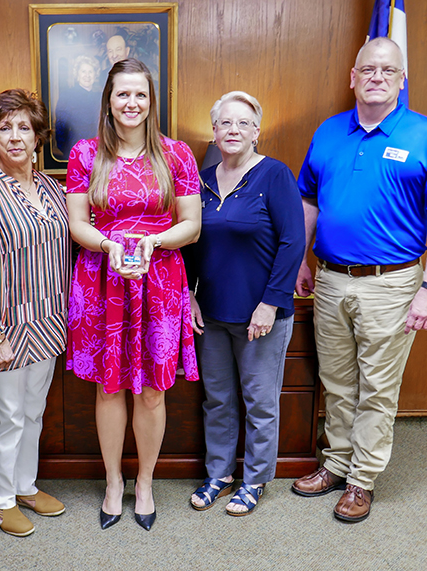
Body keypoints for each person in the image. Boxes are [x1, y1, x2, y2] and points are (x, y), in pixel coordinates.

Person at [293, 37, 427, 523]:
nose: (376, 77)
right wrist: (301, 261)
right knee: (337, 381)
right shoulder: (328, 132)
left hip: (392, 285)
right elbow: (309, 201)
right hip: (330, 279)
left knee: (377, 387)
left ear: (401, 80)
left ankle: (361, 480)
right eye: (368, 69)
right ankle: (336, 462)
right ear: (352, 77)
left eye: (387, 71)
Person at [65, 58, 201, 531]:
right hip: (101, 281)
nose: (131, 103)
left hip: (159, 282)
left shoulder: (177, 154)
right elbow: (77, 222)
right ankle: (112, 482)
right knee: (110, 387)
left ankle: (144, 481)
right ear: (108, 100)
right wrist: (108, 245)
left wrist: (151, 241)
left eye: (140, 94)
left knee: (149, 393)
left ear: (151, 101)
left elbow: (192, 224)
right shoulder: (85, 153)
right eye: (122, 94)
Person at [184, 92, 305, 516]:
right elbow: (189, 244)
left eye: (243, 123)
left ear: (257, 131)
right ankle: (219, 473)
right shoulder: (199, 180)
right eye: (225, 123)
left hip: (261, 316)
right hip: (212, 312)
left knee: (259, 402)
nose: (233, 130)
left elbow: (293, 242)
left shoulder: (274, 175)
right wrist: (189, 295)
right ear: (214, 131)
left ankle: (254, 480)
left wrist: (271, 303)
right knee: (217, 398)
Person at [0, 89, 70, 538]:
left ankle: (25, 486)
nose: (16, 136)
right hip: (3, 328)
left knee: (35, 410)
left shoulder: (51, 188)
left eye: (24, 127)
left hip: (46, 321)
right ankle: (0, 500)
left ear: (38, 136)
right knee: (7, 415)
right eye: (6, 128)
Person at [55, 55, 101, 158]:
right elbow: (61, 127)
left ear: (95, 74)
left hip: (98, 151)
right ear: (77, 74)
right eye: (83, 71)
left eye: (90, 72)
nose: (87, 75)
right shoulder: (67, 95)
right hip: (75, 148)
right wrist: (68, 151)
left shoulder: (100, 97)